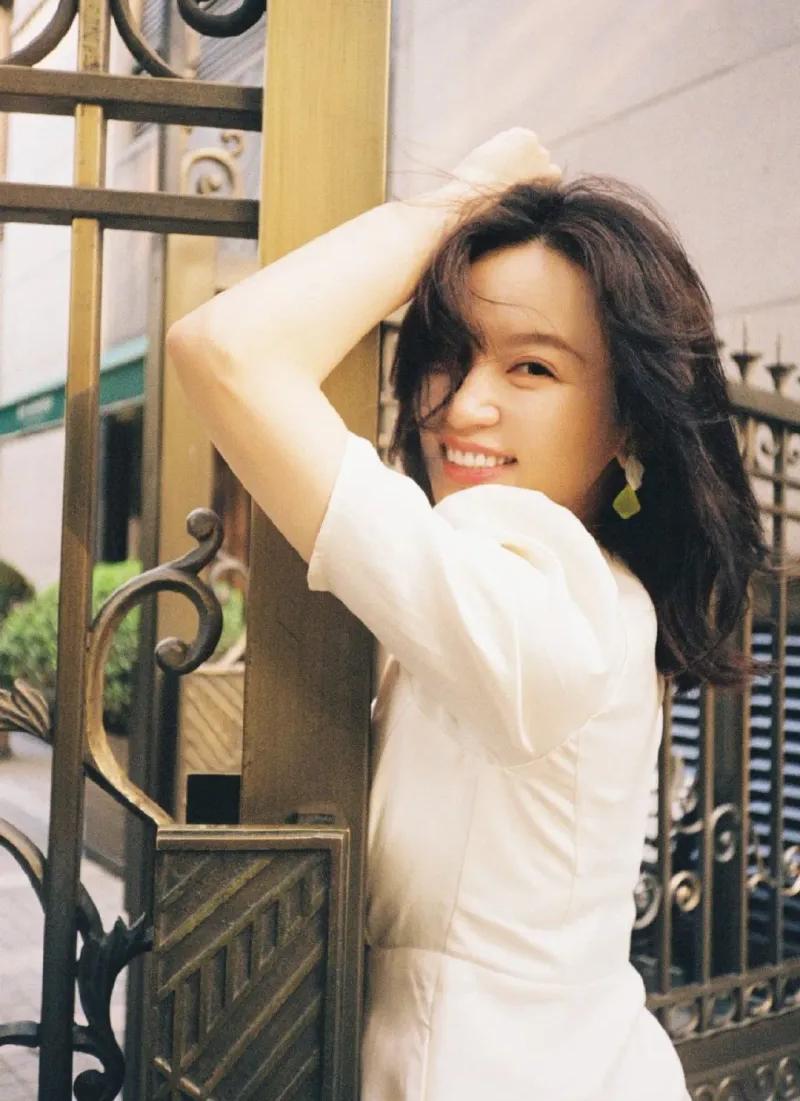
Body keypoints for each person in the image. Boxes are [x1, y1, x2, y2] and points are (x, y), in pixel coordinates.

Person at [167, 129, 765, 1101]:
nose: (462, 405)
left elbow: (225, 350)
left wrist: (465, 195)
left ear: (628, 421)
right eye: (451, 352)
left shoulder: (549, 608)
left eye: (532, 369)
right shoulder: (559, 590)